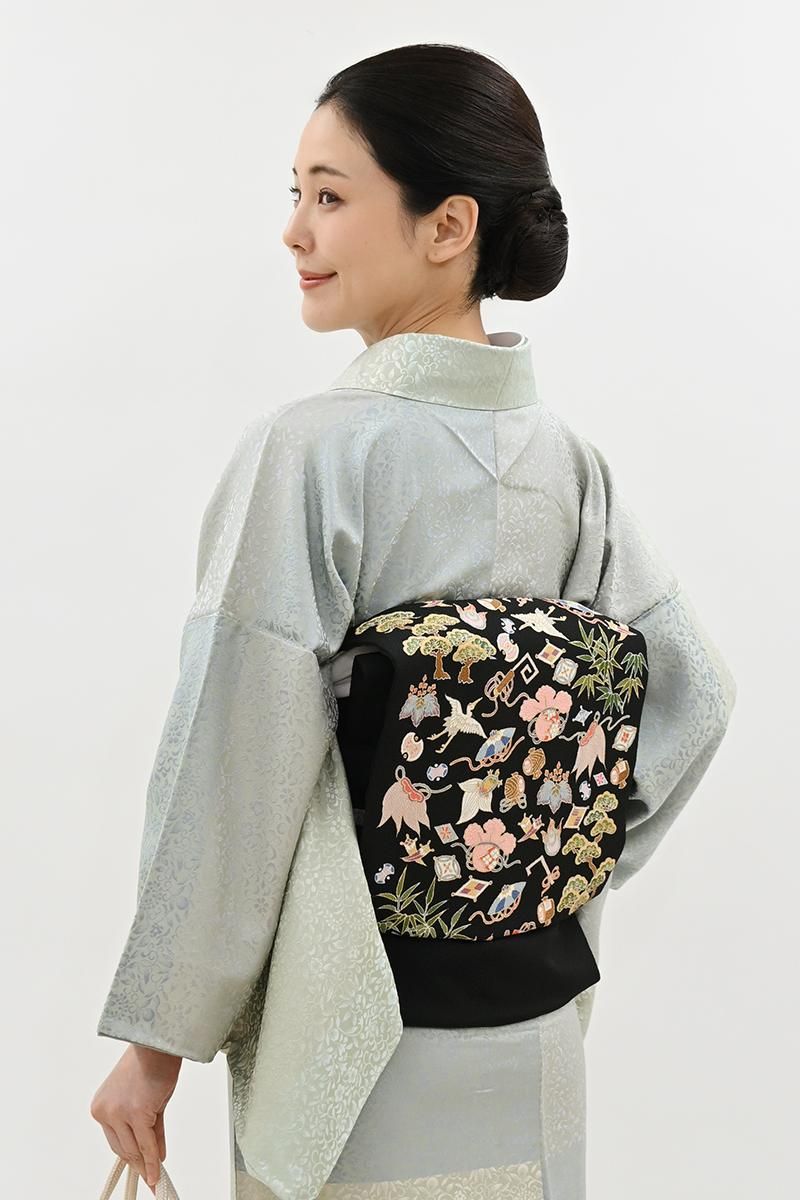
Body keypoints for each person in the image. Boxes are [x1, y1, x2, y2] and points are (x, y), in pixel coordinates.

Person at [90, 43, 736, 1200]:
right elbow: (695, 694)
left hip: (355, 1025)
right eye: (294, 194)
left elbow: (235, 762)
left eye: (330, 197)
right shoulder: (567, 464)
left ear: (447, 226)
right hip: (533, 1022)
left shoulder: (308, 455)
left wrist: (156, 1044)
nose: (294, 231)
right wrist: (536, 857)